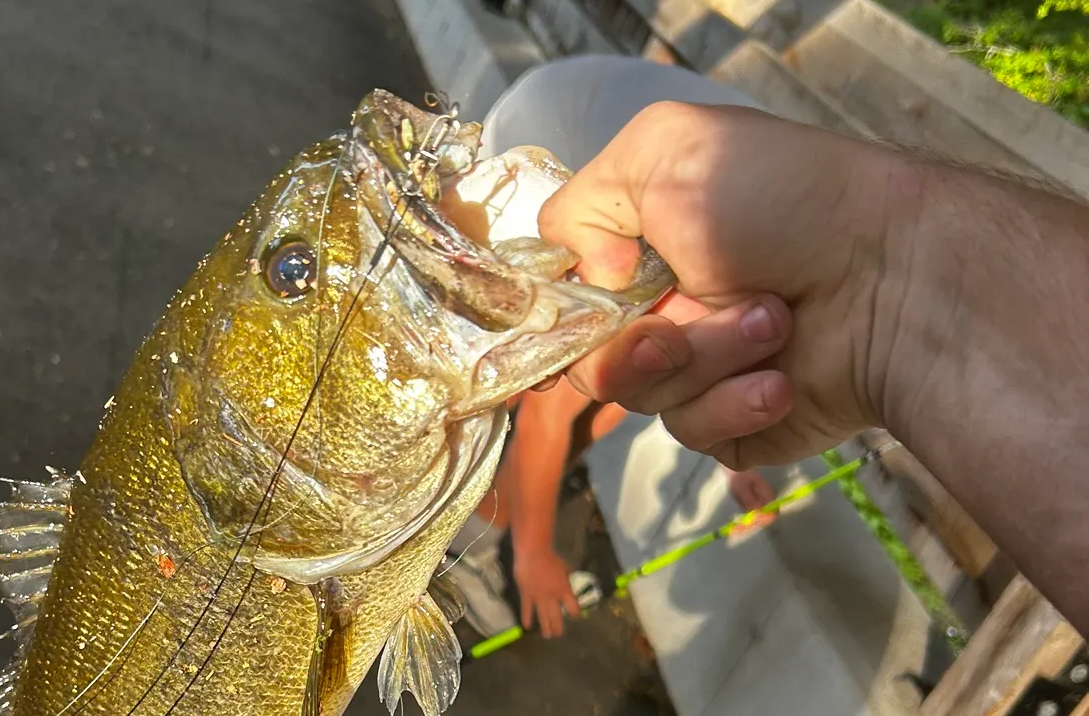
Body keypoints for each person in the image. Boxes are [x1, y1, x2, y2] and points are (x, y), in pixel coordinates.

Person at [531, 95, 1089, 635]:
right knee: (571, 380)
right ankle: (502, 541)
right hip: (572, 171)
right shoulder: (653, 165)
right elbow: (547, 405)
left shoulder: (729, 170)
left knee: (607, 375)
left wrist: (885, 288)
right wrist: (531, 552)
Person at [447, 58, 777, 641]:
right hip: (535, 152)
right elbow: (553, 415)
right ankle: (469, 546)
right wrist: (535, 557)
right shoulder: (706, 233)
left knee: (625, 384)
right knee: (567, 382)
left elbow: (720, 344)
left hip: (602, 138)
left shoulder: (777, 246)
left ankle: (481, 524)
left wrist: (733, 463)